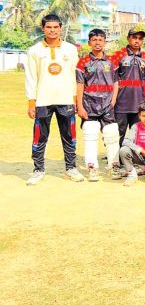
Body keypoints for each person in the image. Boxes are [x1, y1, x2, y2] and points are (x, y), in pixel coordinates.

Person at [25, 14, 82, 185]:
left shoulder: (70, 49)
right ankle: (38, 170)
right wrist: (31, 101)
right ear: (43, 28)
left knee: (69, 136)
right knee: (40, 136)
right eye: (48, 27)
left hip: (66, 99)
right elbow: (31, 77)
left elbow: (75, 75)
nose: (52, 30)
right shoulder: (34, 50)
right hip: (43, 100)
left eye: (56, 27)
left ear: (61, 28)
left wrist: (75, 99)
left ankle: (71, 168)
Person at [76, 28, 120, 181]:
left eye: (100, 40)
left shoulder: (112, 61)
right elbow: (80, 84)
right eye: (94, 40)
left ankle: (114, 166)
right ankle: (92, 167)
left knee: (112, 133)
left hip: (108, 104)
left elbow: (116, 82)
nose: (97, 43)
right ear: (89, 43)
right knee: (90, 133)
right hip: (89, 104)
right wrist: (80, 106)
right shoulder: (83, 62)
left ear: (105, 42)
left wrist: (113, 100)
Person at [112, 28, 145, 145]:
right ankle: (116, 155)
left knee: (137, 136)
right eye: (134, 37)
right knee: (118, 134)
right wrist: (112, 100)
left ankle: (133, 155)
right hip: (121, 104)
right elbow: (112, 79)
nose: (137, 41)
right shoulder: (118, 55)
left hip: (139, 104)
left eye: (140, 38)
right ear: (128, 38)